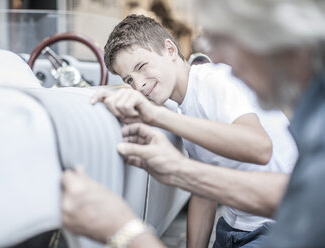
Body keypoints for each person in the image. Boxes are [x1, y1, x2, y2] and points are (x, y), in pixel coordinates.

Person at [62, 0, 325, 247]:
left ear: (169, 49)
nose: (138, 84)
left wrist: (124, 231)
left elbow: (259, 147)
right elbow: (203, 191)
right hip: (234, 224)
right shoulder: (181, 104)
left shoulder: (212, 81)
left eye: (142, 66)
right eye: (129, 80)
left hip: (267, 227)